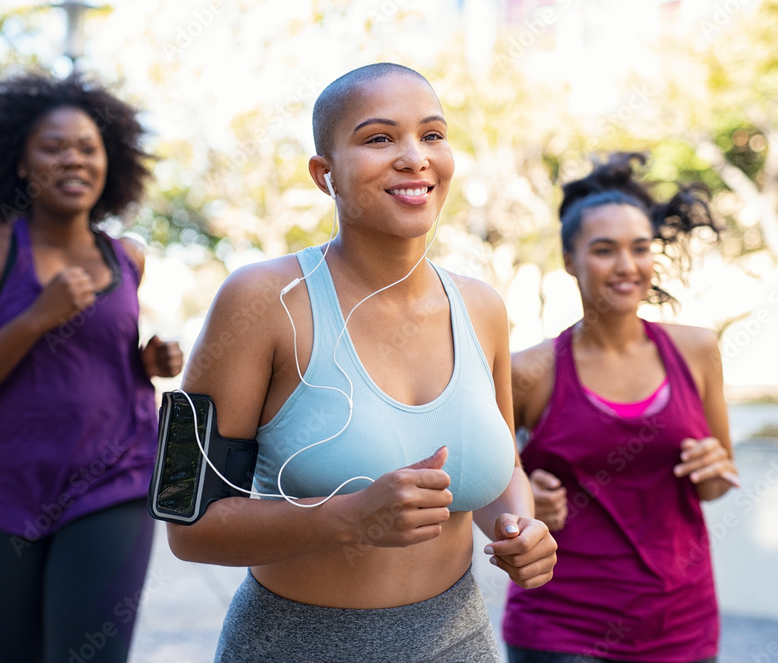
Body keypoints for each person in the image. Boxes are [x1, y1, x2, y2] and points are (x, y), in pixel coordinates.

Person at [167, 62, 557, 663]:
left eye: (432, 135)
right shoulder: (257, 300)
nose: (414, 157)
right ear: (325, 175)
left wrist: (519, 525)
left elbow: (499, 460)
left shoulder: (483, 307)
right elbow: (185, 522)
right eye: (379, 138)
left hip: (461, 643)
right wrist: (348, 518)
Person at [0, 71, 182, 663]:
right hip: (1, 490)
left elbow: (101, 358)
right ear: (19, 162)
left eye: (88, 148)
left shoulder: (127, 257)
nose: (74, 159)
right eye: (54, 147)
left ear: (109, 163)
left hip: (112, 482)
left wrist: (148, 361)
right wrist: (36, 317)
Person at [502, 153, 740, 663]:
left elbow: (718, 484)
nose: (628, 266)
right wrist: (524, 505)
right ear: (570, 260)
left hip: (683, 623)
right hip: (562, 630)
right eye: (605, 250)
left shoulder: (697, 350)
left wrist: (713, 468)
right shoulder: (529, 372)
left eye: (639, 248)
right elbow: (491, 495)